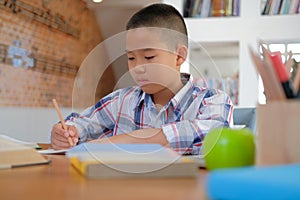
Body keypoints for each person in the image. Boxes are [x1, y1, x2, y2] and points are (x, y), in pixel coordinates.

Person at [51, 3, 233, 155]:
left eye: (149, 57)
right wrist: (66, 132)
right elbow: (79, 125)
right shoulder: (122, 100)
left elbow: (210, 136)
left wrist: (107, 145)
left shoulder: (213, 101)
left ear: (179, 56)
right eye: (131, 58)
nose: (137, 68)